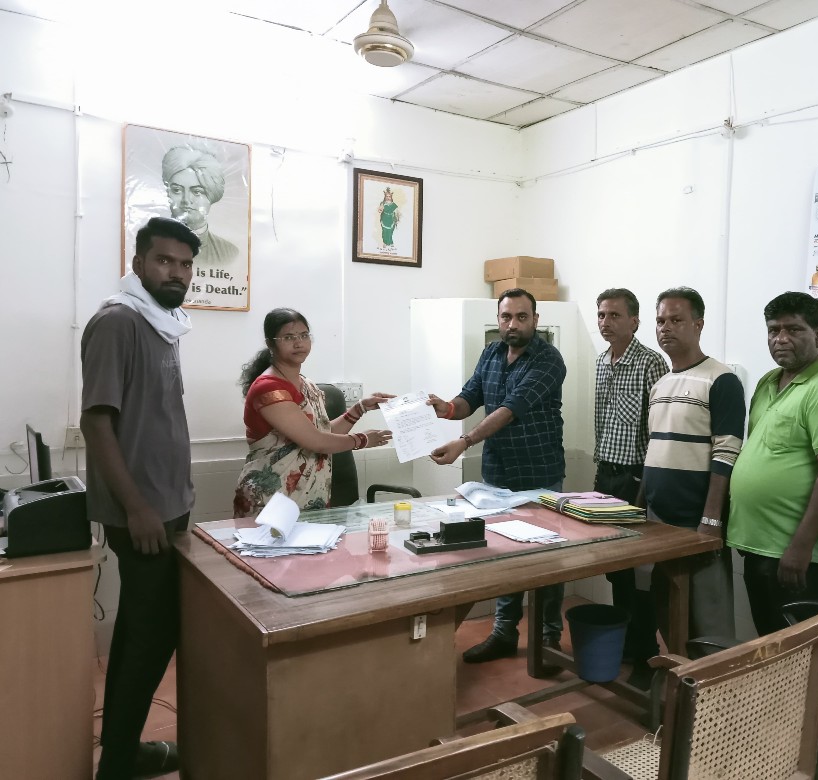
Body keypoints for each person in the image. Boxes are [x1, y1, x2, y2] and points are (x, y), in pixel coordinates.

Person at [81, 216, 201, 779]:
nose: (176, 272)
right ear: (138, 263)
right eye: (164, 260)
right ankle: (118, 765)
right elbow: (96, 422)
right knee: (154, 636)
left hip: (167, 505)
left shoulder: (163, 322)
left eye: (185, 264)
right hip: (143, 513)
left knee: (139, 630)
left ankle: (121, 752)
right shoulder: (118, 322)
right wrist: (136, 507)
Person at [428, 288, 567, 664]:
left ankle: (549, 638)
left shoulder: (549, 359)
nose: (513, 324)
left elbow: (509, 409)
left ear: (535, 320)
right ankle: (505, 632)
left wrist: (464, 441)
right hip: (498, 474)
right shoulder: (491, 352)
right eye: (507, 317)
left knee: (545, 559)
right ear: (498, 320)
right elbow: (471, 396)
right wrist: (447, 408)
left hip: (539, 475)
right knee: (503, 555)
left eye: (522, 317)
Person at [727, 292, 818, 635]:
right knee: (770, 644)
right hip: (760, 546)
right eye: (773, 330)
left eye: (794, 329)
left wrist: (801, 547)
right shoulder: (767, 382)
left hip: (798, 555)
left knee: (802, 654)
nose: (781, 338)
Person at [643, 287, 745, 643]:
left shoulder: (721, 379)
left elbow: (726, 453)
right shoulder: (660, 385)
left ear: (698, 325)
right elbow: (655, 450)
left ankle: (712, 680)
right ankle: (677, 676)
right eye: (660, 321)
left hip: (697, 520)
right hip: (659, 520)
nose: (666, 328)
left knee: (708, 620)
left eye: (676, 320)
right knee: (667, 611)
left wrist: (711, 519)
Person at [233, 308, 392, 516]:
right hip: (270, 500)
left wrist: (360, 408)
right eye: (288, 337)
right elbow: (316, 441)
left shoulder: (307, 385)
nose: (298, 343)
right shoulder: (269, 389)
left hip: (310, 499)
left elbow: (323, 432)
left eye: (304, 335)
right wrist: (362, 439)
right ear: (270, 344)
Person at [592, 288, 668, 687]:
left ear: (635, 321)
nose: (605, 322)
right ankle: (625, 643)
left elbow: (657, 430)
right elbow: (602, 422)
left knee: (639, 572)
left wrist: (643, 486)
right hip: (606, 475)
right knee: (615, 570)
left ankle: (646, 655)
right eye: (601, 315)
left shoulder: (650, 362)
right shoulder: (601, 361)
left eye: (614, 315)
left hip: (635, 476)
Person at [162, 145, 239, 265]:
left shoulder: (230, 253)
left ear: (211, 194)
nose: (186, 200)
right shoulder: (148, 246)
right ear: (168, 193)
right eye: (177, 190)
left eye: (197, 192)